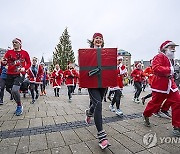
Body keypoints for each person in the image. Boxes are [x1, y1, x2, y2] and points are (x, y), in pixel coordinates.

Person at [142, 40, 180, 137]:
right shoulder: (159, 56)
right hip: (160, 84)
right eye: (172, 47)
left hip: (171, 84)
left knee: (177, 101)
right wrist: (170, 70)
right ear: (165, 48)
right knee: (155, 103)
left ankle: (177, 126)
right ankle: (146, 114)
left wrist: (173, 73)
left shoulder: (171, 59)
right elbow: (155, 68)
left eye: (174, 48)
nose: (174, 50)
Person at [84, 33, 111, 149]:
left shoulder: (107, 53)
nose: (99, 40)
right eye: (97, 38)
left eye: (101, 38)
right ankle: (102, 137)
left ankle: (89, 113)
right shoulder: (87, 53)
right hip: (92, 83)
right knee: (99, 104)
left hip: (103, 83)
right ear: (93, 41)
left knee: (97, 103)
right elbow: (84, 67)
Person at [2, 38, 31, 115]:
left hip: (19, 73)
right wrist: (3, 62)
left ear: (20, 44)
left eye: (16, 42)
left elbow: (29, 63)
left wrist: (24, 68)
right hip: (10, 74)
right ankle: (19, 98)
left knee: (15, 90)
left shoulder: (25, 53)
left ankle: (19, 106)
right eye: (13, 42)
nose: (14, 44)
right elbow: (4, 62)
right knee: (10, 90)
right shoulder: (9, 52)